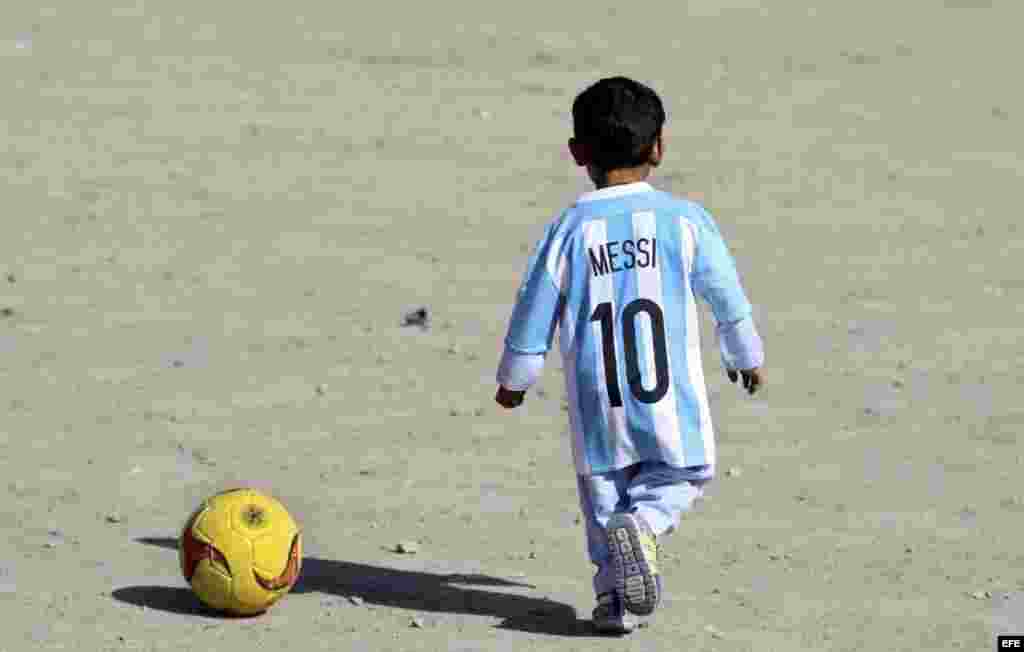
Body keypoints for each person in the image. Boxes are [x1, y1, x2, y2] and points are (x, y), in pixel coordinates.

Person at [493, 76, 764, 635]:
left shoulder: (569, 228)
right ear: (659, 147)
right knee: (683, 472)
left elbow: (532, 309)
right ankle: (644, 524)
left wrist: (516, 378)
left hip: (597, 400)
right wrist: (745, 354)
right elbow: (727, 298)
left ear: (577, 154)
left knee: (602, 499)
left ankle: (614, 600)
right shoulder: (685, 220)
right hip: (668, 395)